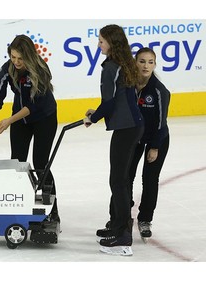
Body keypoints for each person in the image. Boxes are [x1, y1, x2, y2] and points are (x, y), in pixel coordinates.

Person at [0, 34, 60, 222]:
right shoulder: (6, 70)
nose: (16, 62)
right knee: (17, 164)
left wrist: (9, 120)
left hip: (44, 119)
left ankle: (53, 211)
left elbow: (34, 106)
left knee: (41, 165)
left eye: (20, 58)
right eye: (13, 57)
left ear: (29, 56)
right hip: (20, 120)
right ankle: (20, 204)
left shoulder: (40, 69)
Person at [83, 24, 144, 256]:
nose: (98, 44)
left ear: (112, 42)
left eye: (101, 41)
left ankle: (122, 237)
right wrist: (96, 114)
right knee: (121, 179)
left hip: (126, 128)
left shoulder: (110, 67)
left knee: (118, 180)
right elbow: (116, 100)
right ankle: (118, 226)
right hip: (132, 126)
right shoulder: (124, 63)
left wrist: (93, 118)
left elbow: (108, 102)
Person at [129, 47, 170, 240]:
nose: (146, 66)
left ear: (155, 65)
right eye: (142, 61)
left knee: (150, 178)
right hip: (135, 137)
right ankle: (122, 215)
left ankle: (145, 219)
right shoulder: (129, 85)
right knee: (125, 176)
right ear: (135, 62)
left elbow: (161, 123)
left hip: (157, 138)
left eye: (150, 62)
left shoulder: (159, 91)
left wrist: (154, 147)